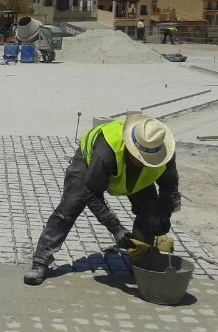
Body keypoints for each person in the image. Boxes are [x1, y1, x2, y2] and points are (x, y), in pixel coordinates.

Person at [24, 115, 181, 286]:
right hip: (89, 162)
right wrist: (116, 229)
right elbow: (91, 193)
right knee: (68, 209)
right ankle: (41, 261)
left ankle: (140, 260)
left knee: (150, 211)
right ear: (131, 148)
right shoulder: (107, 149)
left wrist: (163, 217)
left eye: (149, 160)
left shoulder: (163, 152)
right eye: (141, 158)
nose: (145, 162)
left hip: (136, 179)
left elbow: (169, 187)